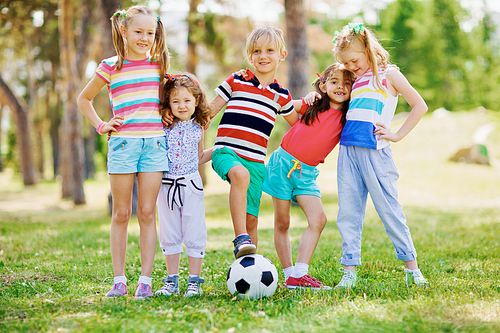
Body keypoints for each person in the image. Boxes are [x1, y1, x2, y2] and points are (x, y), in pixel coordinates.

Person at [77, 5, 170, 298]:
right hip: (123, 145)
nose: (144, 38)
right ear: (124, 31)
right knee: (121, 212)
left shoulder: (159, 65)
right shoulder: (110, 66)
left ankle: (145, 280)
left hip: (154, 144)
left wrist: (167, 113)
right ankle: (119, 280)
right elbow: (84, 99)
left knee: (146, 212)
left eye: (150, 33)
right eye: (138, 32)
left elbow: (175, 96)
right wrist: (101, 124)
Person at [331, 22, 429, 288]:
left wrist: (397, 134)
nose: (350, 66)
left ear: (367, 48)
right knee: (348, 213)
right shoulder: (353, 79)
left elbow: (420, 105)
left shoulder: (390, 75)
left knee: (389, 211)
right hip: (348, 152)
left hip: (376, 153)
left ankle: (412, 269)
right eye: (346, 63)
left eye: (354, 60)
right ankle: (349, 271)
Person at [209, 26, 299, 259]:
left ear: (282, 55)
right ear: (250, 55)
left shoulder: (282, 96)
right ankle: (240, 238)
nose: (263, 56)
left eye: (270, 50)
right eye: (257, 51)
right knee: (239, 175)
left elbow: (297, 126)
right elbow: (208, 111)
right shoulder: (236, 81)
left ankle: (249, 269)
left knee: (251, 219)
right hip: (227, 152)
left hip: (257, 162)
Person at [263, 63, 355, 290]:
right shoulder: (314, 104)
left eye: (346, 84)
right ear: (323, 85)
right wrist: (308, 98)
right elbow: (284, 107)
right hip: (283, 164)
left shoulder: (347, 116)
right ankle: (289, 275)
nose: (340, 87)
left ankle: (300, 272)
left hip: (307, 173)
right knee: (282, 222)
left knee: (318, 220)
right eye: (334, 82)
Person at [154, 73, 213, 297]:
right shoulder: (163, 125)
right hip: (167, 185)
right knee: (169, 231)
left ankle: (194, 281)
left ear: (196, 101)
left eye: (187, 101)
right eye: (175, 101)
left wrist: (219, 151)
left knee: (194, 230)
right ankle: (172, 281)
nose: (181, 106)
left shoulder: (199, 126)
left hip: (191, 185)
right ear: (168, 103)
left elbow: (198, 157)